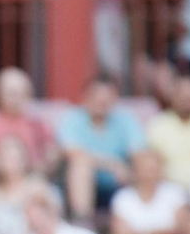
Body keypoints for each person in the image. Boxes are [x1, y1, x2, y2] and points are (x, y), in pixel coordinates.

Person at [57, 76, 144, 222]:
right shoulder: (72, 119)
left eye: (106, 98)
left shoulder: (126, 120)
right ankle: (82, 222)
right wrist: (111, 164)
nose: (101, 102)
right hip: (83, 184)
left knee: (144, 167)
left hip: (120, 183)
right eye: (96, 97)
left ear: (114, 99)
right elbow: (71, 152)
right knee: (81, 165)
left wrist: (132, 171)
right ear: (85, 98)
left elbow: (139, 152)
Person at [0, 67, 55, 178]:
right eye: (11, 94)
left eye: (21, 93)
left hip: (33, 178)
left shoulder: (38, 123)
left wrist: (41, 166)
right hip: (0, 181)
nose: (16, 99)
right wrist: (5, 169)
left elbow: (51, 151)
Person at [110, 150, 186, 234]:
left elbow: (180, 230)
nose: (149, 174)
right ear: (135, 171)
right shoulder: (123, 198)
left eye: (153, 169)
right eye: (144, 169)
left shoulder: (174, 193)